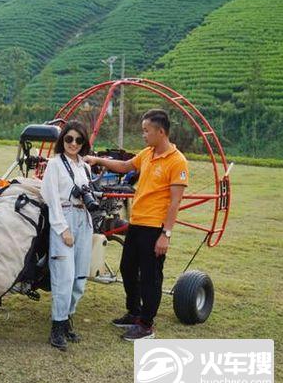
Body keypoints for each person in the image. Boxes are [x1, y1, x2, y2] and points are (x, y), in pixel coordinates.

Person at [85, 109, 188, 341]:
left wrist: (166, 235)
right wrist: (97, 160)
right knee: (128, 269)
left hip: (155, 228)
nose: (144, 135)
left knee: (151, 277)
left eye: (146, 131)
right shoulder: (148, 153)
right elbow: (125, 167)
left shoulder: (177, 161)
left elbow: (175, 202)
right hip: (137, 224)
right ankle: (134, 312)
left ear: (160, 132)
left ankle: (146, 325)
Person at [41, 120, 94, 351]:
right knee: (64, 275)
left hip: (85, 221)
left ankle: (68, 319)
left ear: (84, 143)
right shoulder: (54, 165)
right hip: (64, 218)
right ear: (62, 140)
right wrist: (62, 229)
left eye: (78, 140)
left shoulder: (85, 167)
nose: (73, 143)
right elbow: (50, 197)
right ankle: (57, 327)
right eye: (69, 139)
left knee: (79, 277)